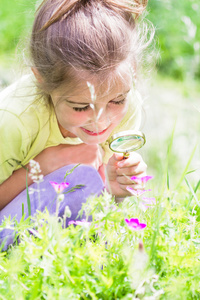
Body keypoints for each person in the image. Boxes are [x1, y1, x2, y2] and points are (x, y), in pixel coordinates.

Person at [0, 0, 153, 228]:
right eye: (81, 107)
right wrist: (42, 166)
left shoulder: (129, 107)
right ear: (41, 78)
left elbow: (95, 208)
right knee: (81, 178)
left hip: (59, 235)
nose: (101, 121)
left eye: (116, 100)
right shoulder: (14, 120)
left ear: (132, 74)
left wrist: (112, 188)